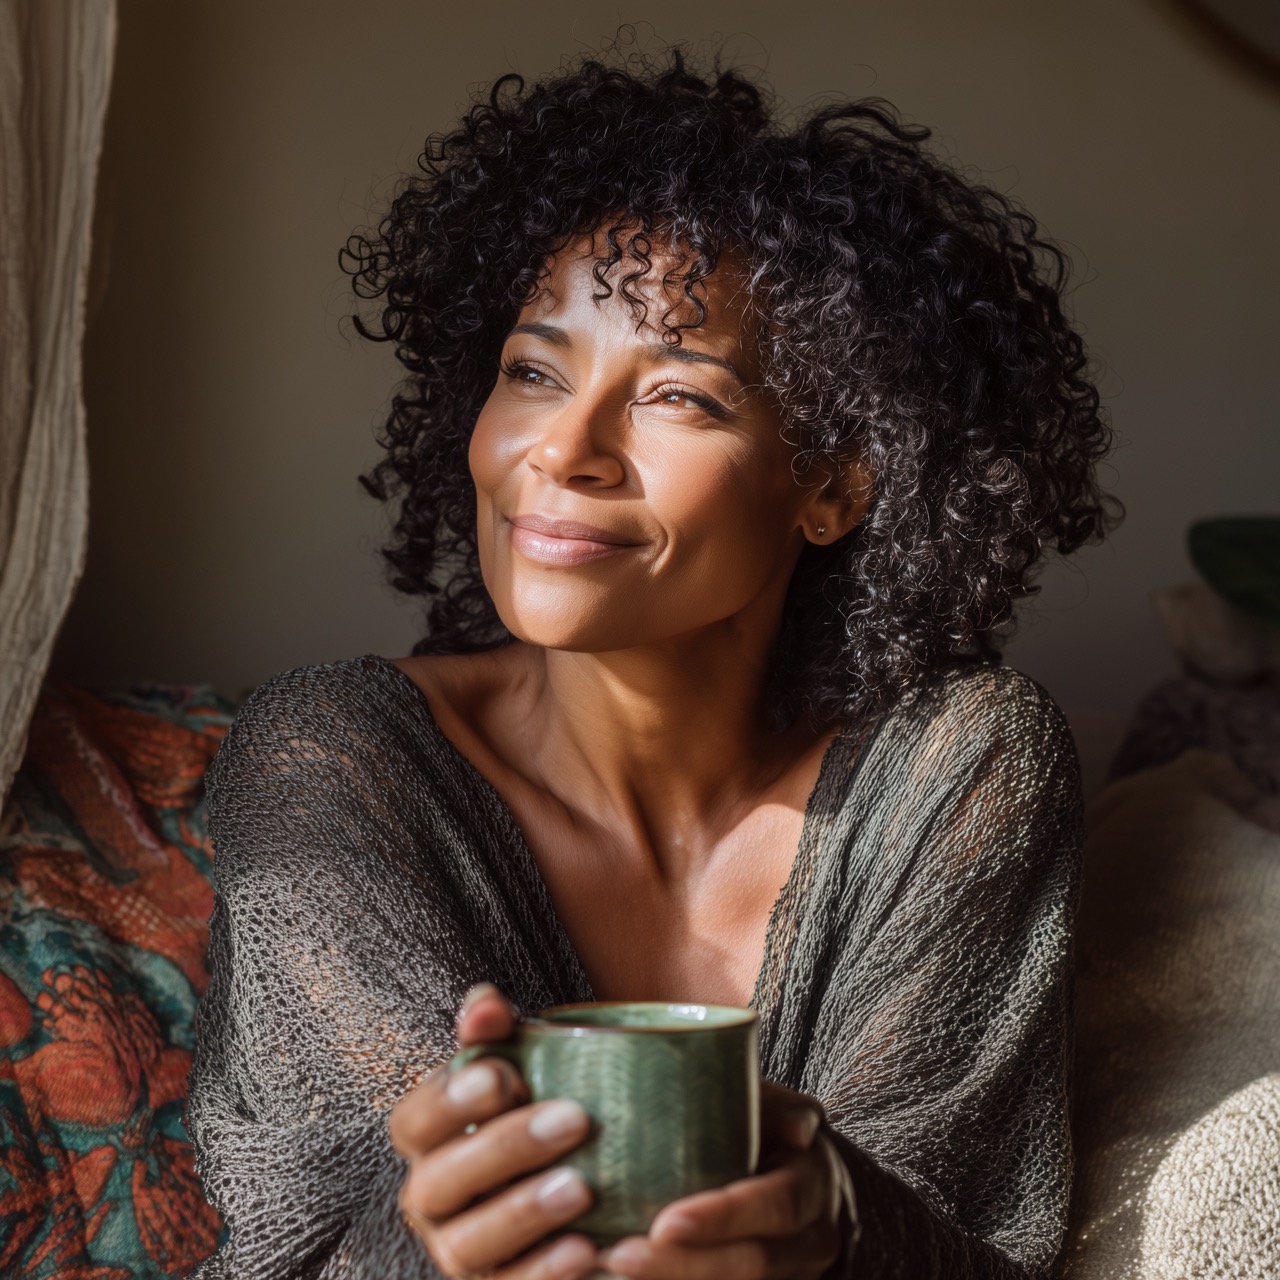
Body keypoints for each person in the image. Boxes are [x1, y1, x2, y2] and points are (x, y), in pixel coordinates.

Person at [186, 45, 1116, 1280]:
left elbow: (961, 1245)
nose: (562, 448)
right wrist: (441, 1223)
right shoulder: (328, 760)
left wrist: (833, 1217)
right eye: (532, 370)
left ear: (832, 483)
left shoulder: (960, 772)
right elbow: (324, 1245)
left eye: (677, 396)